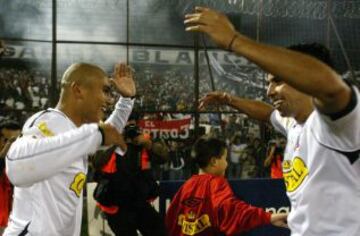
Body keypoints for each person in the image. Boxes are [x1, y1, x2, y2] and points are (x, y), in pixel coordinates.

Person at [185, 7, 360, 235]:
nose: (270, 91)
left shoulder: (338, 123)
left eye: (278, 81)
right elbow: (267, 114)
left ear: (303, 77)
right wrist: (229, 99)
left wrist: (235, 41)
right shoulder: (295, 123)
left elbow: (332, 89)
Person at [4, 63, 136, 236]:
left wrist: (126, 101)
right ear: (78, 90)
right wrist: (95, 135)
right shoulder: (50, 122)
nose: (109, 99)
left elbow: (103, 134)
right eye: (104, 90)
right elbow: (16, 167)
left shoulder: (71, 131)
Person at [165, 136, 288, 236]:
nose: (227, 164)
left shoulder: (186, 186)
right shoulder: (215, 183)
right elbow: (232, 211)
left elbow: (171, 220)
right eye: (225, 158)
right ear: (214, 161)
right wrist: (268, 217)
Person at [92, 113, 168, 236]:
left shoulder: (143, 139)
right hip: (117, 208)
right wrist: (116, 140)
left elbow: (163, 157)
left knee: (160, 231)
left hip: (140, 203)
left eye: (131, 125)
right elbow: (96, 162)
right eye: (124, 125)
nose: (128, 129)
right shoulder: (107, 139)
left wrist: (147, 144)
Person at [0, 120, 21, 235]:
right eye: (6, 140)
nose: (13, 145)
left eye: (17, 141)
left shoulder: (19, 162)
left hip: (13, 223)